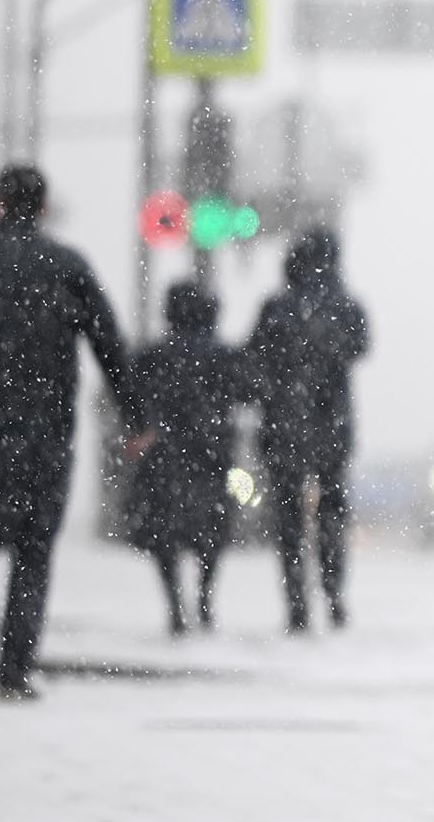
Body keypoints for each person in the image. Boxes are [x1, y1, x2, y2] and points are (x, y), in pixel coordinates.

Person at [0, 164, 151, 700]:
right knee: (34, 548)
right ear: (43, 207)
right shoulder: (67, 267)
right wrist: (136, 417)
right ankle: (16, 671)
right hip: (45, 432)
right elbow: (110, 346)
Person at [247, 228, 369, 633]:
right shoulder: (346, 306)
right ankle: (333, 594)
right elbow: (360, 347)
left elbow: (254, 359)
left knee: (288, 518)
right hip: (331, 425)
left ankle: (296, 602)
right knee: (332, 511)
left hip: (283, 426)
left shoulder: (277, 307)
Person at [128, 283, 252, 635]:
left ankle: (175, 605)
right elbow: (250, 389)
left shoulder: (153, 356)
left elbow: (130, 393)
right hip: (212, 456)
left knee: (165, 534)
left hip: (164, 457)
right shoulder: (224, 356)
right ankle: (204, 598)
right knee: (210, 533)